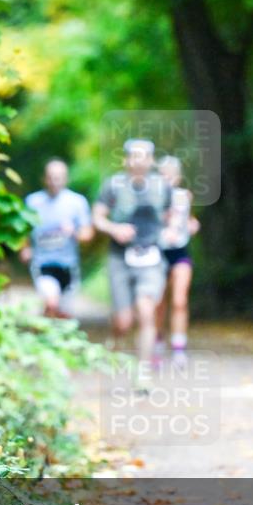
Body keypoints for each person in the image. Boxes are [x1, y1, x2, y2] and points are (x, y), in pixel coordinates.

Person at [93, 139, 172, 380]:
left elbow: (171, 217)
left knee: (146, 310)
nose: (138, 161)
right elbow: (97, 217)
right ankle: (115, 346)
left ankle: (143, 371)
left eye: (143, 156)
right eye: (134, 156)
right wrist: (114, 229)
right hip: (120, 257)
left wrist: (170, 232)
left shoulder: (162, 187)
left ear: (151, 160)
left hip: (151, 256)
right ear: (126, 160)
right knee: (123, 321)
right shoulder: (113, 186)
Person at [20, 158, 93, 318]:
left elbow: (87, 235)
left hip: (68, 266)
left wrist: (73, 232)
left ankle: (49, 334)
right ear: (44, 179)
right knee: (52, 302)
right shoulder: (33, 202)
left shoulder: (77, 202)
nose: (54, 181)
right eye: (51, 177)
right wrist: (25, 248)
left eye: (58, 177)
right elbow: (23, 230)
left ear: (66, 178)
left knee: (65, 313)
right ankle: (46, 330)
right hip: (42, 264)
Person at [154, 155, 200, 366]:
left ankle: (179, 348)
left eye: (171, 175)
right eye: (163, 175)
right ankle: (156, 344)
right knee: (159, 302)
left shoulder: (184, 197)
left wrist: (192, 224)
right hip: (157, 253)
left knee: (180, 300)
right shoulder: (151, 198)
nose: (167, 179)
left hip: (180, 252)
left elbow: (187, 219)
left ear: (178, 177)